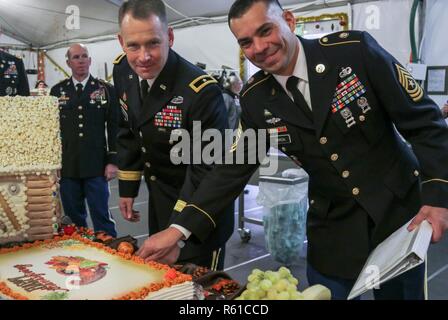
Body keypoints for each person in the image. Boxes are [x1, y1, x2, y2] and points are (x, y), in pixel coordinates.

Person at [160, 0, 448, 299]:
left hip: (399, 216)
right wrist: (179, 230)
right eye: (246, 42)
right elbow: (233, 166)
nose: (259, 47)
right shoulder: (256, 98)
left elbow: (424, 123)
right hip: (332, 229)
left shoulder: (354, 52)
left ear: (289, 20)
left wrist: (437, 196)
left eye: (266, 30)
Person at [113, 0, 233, 270]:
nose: (143, 56)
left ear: (169, 36)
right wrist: (127, 188)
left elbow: (207, 168)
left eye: (153, 43)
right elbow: (129, 130)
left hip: (200, 213)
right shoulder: (124, 71)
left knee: (200, 291)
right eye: (133, 45)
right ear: (121, 42)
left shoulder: (200, 91)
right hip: (159, 199)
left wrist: (179, 228)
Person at [50, 43, 119, 237]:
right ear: (68, 63)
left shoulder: (105, 90)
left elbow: (114, 127)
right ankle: (80, 256)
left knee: (101, 216)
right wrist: (54, 163)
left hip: (96, 165)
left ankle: (112, 254)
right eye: (76, 57)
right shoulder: (57, 91)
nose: (81, 61)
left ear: (90, 60)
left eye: (84, 56)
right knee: (74, 218)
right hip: (68, 165)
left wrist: (113, 161)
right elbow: (52, 130)